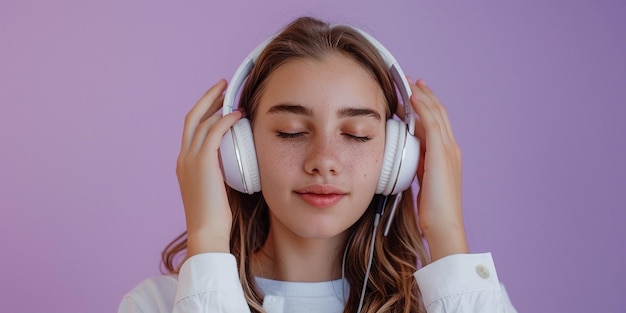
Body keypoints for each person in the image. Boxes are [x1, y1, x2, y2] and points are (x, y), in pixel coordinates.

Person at [119, 16, 517, 313]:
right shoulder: (158, 304)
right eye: (292, 131)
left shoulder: (448, 299)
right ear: (239, 151)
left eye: (357, 134)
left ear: (397, 158)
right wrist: (206, 240)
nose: (324, 161)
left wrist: (447, 232)